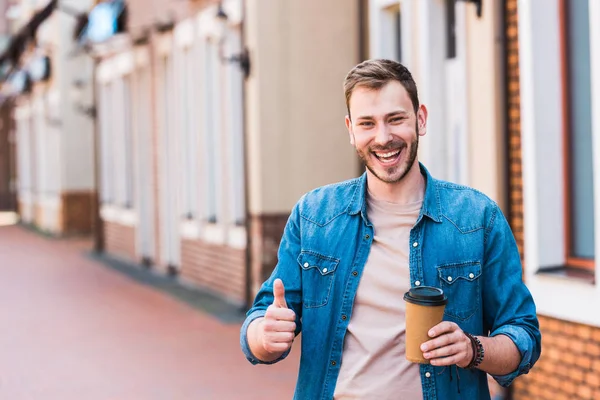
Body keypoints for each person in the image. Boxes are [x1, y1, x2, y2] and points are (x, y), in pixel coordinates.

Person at [240, 59, 541, 400]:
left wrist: (473, 349)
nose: (383, 138)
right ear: (351, 129)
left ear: (420, 119)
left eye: (395, 119)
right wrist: (264, 336)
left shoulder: (476, 217)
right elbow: (261, 323)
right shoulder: (314, 216)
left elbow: (523, 336)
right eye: (367, 123)